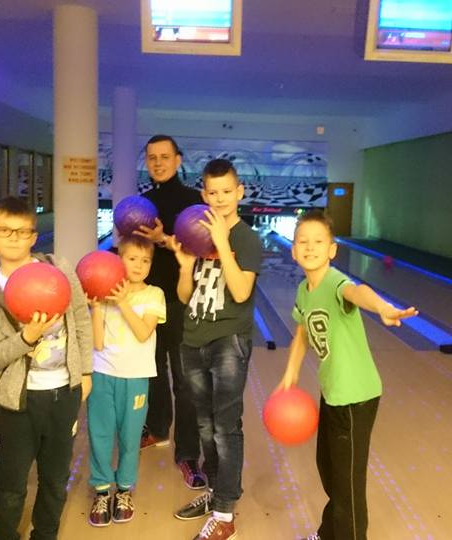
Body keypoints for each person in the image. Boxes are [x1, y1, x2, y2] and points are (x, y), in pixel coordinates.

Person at [276, 210, 418, 540]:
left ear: (332, 249)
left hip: (356, 397)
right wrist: (291, 372)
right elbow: (302, 332)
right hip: (334, 392)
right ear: (293, 250)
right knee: (328, 469)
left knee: (348, 485)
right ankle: (329, 533)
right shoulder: (304, 290)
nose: (310, 247)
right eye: (303, 241)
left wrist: (383, 307)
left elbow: (357, 292)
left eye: (318, 241)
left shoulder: (334, 282)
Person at [0, 196, 92, 540]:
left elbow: (80, 319)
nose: (14, 238)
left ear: (34, 237)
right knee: (12, 482)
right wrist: (27, 337)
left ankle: (45, 535)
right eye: (4, 230)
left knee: (55, 478)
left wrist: (85, 372)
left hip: (63, 393)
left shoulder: (58, 268)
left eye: (22, 231)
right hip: (17, 403)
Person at [169, 159, 262, 540]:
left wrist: (223, 243)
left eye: (227, 191)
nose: (220, 199)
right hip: (193, 339)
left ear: (239, 192)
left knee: (225, 426)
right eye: (213, 192)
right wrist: (184, 267)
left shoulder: (246, 239)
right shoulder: (195, 233)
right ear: (204, 194)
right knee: (205, 424)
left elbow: (240, 292)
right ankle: (215, 493)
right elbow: (184, 297)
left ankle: (225, 516)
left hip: (229, 341)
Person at [133, 134, 207, 490]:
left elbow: (201, 247)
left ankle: (188, 453)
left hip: (182, 300)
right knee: (153, 372)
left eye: (165, 156)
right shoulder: (141, 203)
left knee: (185, 379)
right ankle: (158, 428)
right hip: (148, 299)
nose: (158, 163)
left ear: (178, 160)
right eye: (152, 157)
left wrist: (163, 239)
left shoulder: (193, 201)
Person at [86, 236, 167, 527]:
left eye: (146, 260)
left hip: (135, 377)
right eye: (132, 258)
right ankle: (101, 489)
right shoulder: (105, 295)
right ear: (118, 260)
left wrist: (122, 303)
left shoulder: (154, 294)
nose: (139, 265)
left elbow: (144, 333)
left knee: (131, 438)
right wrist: (97, 308)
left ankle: (124, 489)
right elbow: (97, 343)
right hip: (102, 373)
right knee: (100, 434)